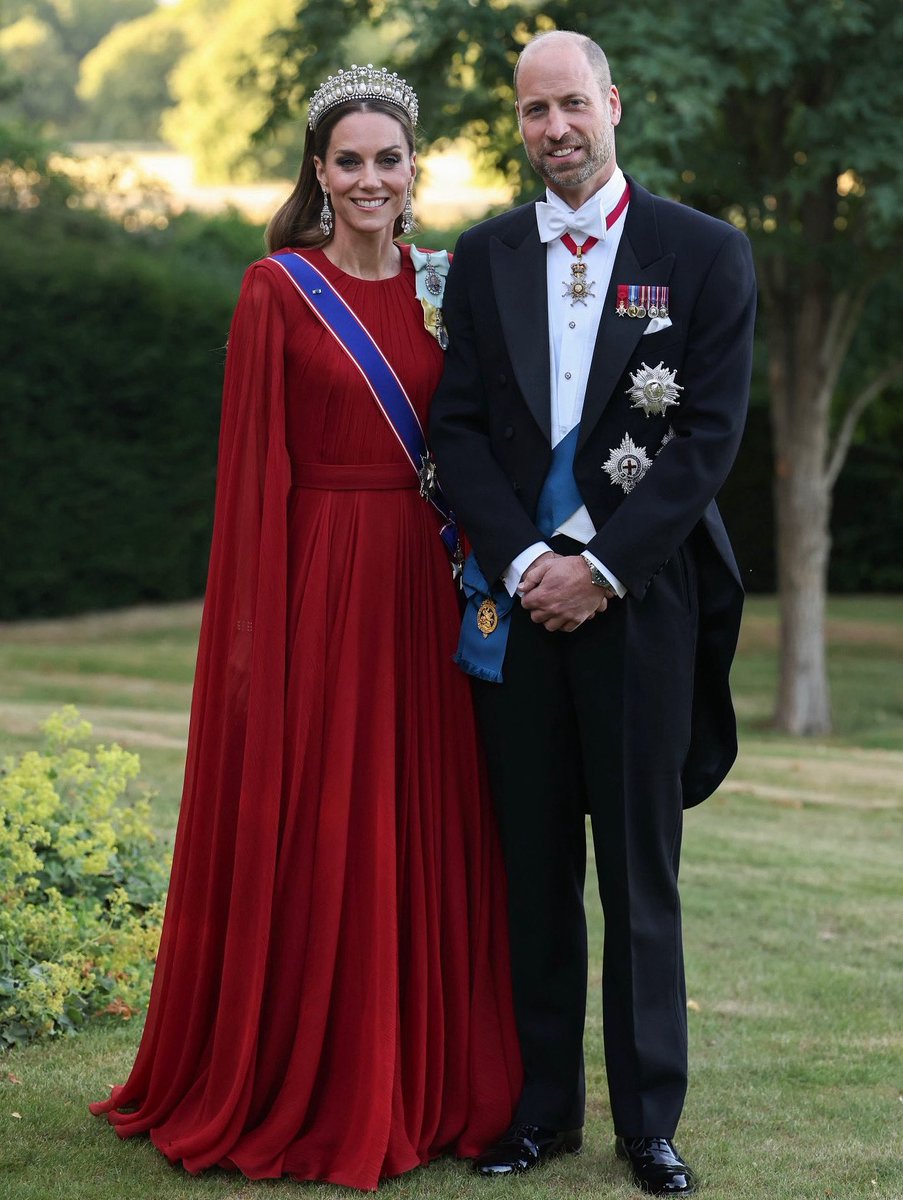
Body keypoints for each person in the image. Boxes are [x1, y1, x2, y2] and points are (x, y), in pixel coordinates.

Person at [90, 65, 521, 1191]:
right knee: (333, 816)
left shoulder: (447, 284)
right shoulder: (277, 288)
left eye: (389, 159)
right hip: (324, 583)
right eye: (349, 161)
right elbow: (252, 479)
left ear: (414, 169)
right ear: (319, 174)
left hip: (426, 586)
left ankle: (428, 1080)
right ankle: (321, 1076)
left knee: (427, 815)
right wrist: (260, 639)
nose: (371, 179)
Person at [429, 30, 756, 1197]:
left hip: (641, 602)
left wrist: (600, 568)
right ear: (518, 123)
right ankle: (541, 1114)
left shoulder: (704, 251)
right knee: (532, 872)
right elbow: (458, 429)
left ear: (614, 104)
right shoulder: (484, 255)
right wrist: (525, 559)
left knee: (638, 878)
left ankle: (650, 1124)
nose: (555, 128)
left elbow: (707, 438)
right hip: (520, 607)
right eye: (534, 111)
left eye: (572, 103)